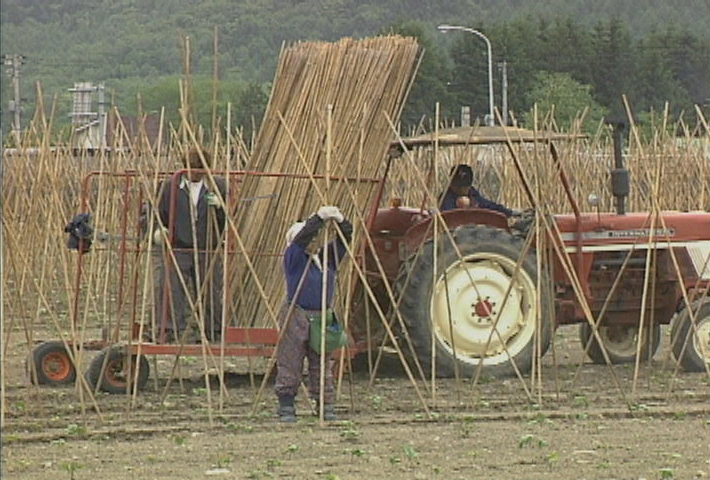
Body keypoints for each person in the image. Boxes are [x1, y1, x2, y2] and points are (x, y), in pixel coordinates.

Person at [275, 205, 353, 423]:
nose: (313, 241)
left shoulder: (326, 260)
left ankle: (325, 403)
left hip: (321, 316)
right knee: (290, 360)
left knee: (321, 362)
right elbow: (302, 238)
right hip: (296, 314)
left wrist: (340, 220)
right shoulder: (294, 258)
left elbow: (346, 238)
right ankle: (287, 405)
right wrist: (318, 218)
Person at [153, 147, 228, 343]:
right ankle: (170, 331)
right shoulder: (170, 186)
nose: (196, 173)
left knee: (210, 290)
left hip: (207, 247)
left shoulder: (218, 186)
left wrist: (220, 208)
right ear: (185, 167)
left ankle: (213, 332)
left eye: (200, 169)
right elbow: (156, 213)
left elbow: (228, 220)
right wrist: (159, 230)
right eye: (192, 168)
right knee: (171, 289)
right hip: (178, 246)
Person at [439, 163, 517, 216]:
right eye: (458, 186)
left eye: (465, 186)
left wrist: (509, 212)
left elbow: (489, 205)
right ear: (451, 184)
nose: (462, 189)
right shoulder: (446, 198)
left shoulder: (473, 195)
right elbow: (449, 216)